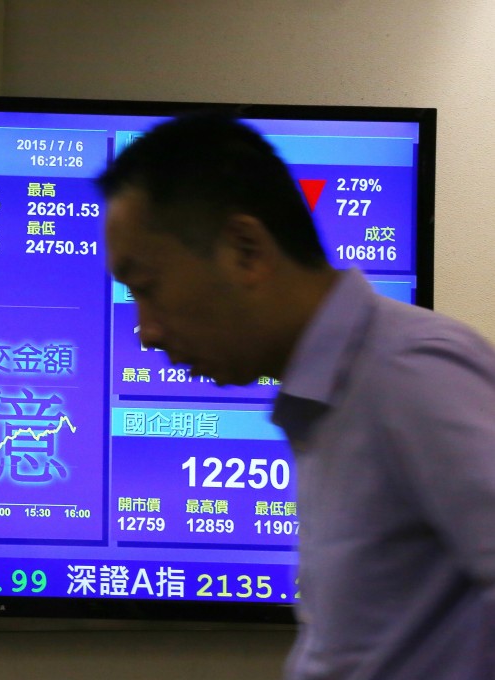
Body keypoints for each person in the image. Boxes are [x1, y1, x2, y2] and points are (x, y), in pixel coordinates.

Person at [98, 114, 495, 679]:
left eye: (148, 286)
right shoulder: (328, 400)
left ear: (245, 250)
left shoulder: (410, 373)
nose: (147, 330)